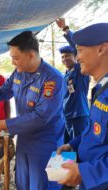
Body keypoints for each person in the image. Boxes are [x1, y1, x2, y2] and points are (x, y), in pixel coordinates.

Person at [0, 31, 67, 190]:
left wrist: (0, 124)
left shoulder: (53, 79)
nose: (12, 63)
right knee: (23, 183)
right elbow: (2, 92)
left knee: (47, 185)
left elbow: (40, 117)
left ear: (31, 55)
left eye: (15, 58)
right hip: (25, 140)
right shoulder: (20, 72)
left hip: (48, 144)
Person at [56, 23, 108, 190]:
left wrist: (85, 172)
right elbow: (94, 130)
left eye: (79, 50)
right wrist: (74, 144)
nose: (77, 58)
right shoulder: (101, 88)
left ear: (101, 49)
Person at [56, 18, 90, 143]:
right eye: (62, 57)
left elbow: (76, 46)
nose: (64, 59)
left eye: (67, 56)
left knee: (80, 148)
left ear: (75, 57)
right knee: (67, 150)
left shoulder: (80, 70)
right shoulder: (65, 75)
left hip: (79, 116)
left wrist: (65, 29)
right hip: (67, 117)